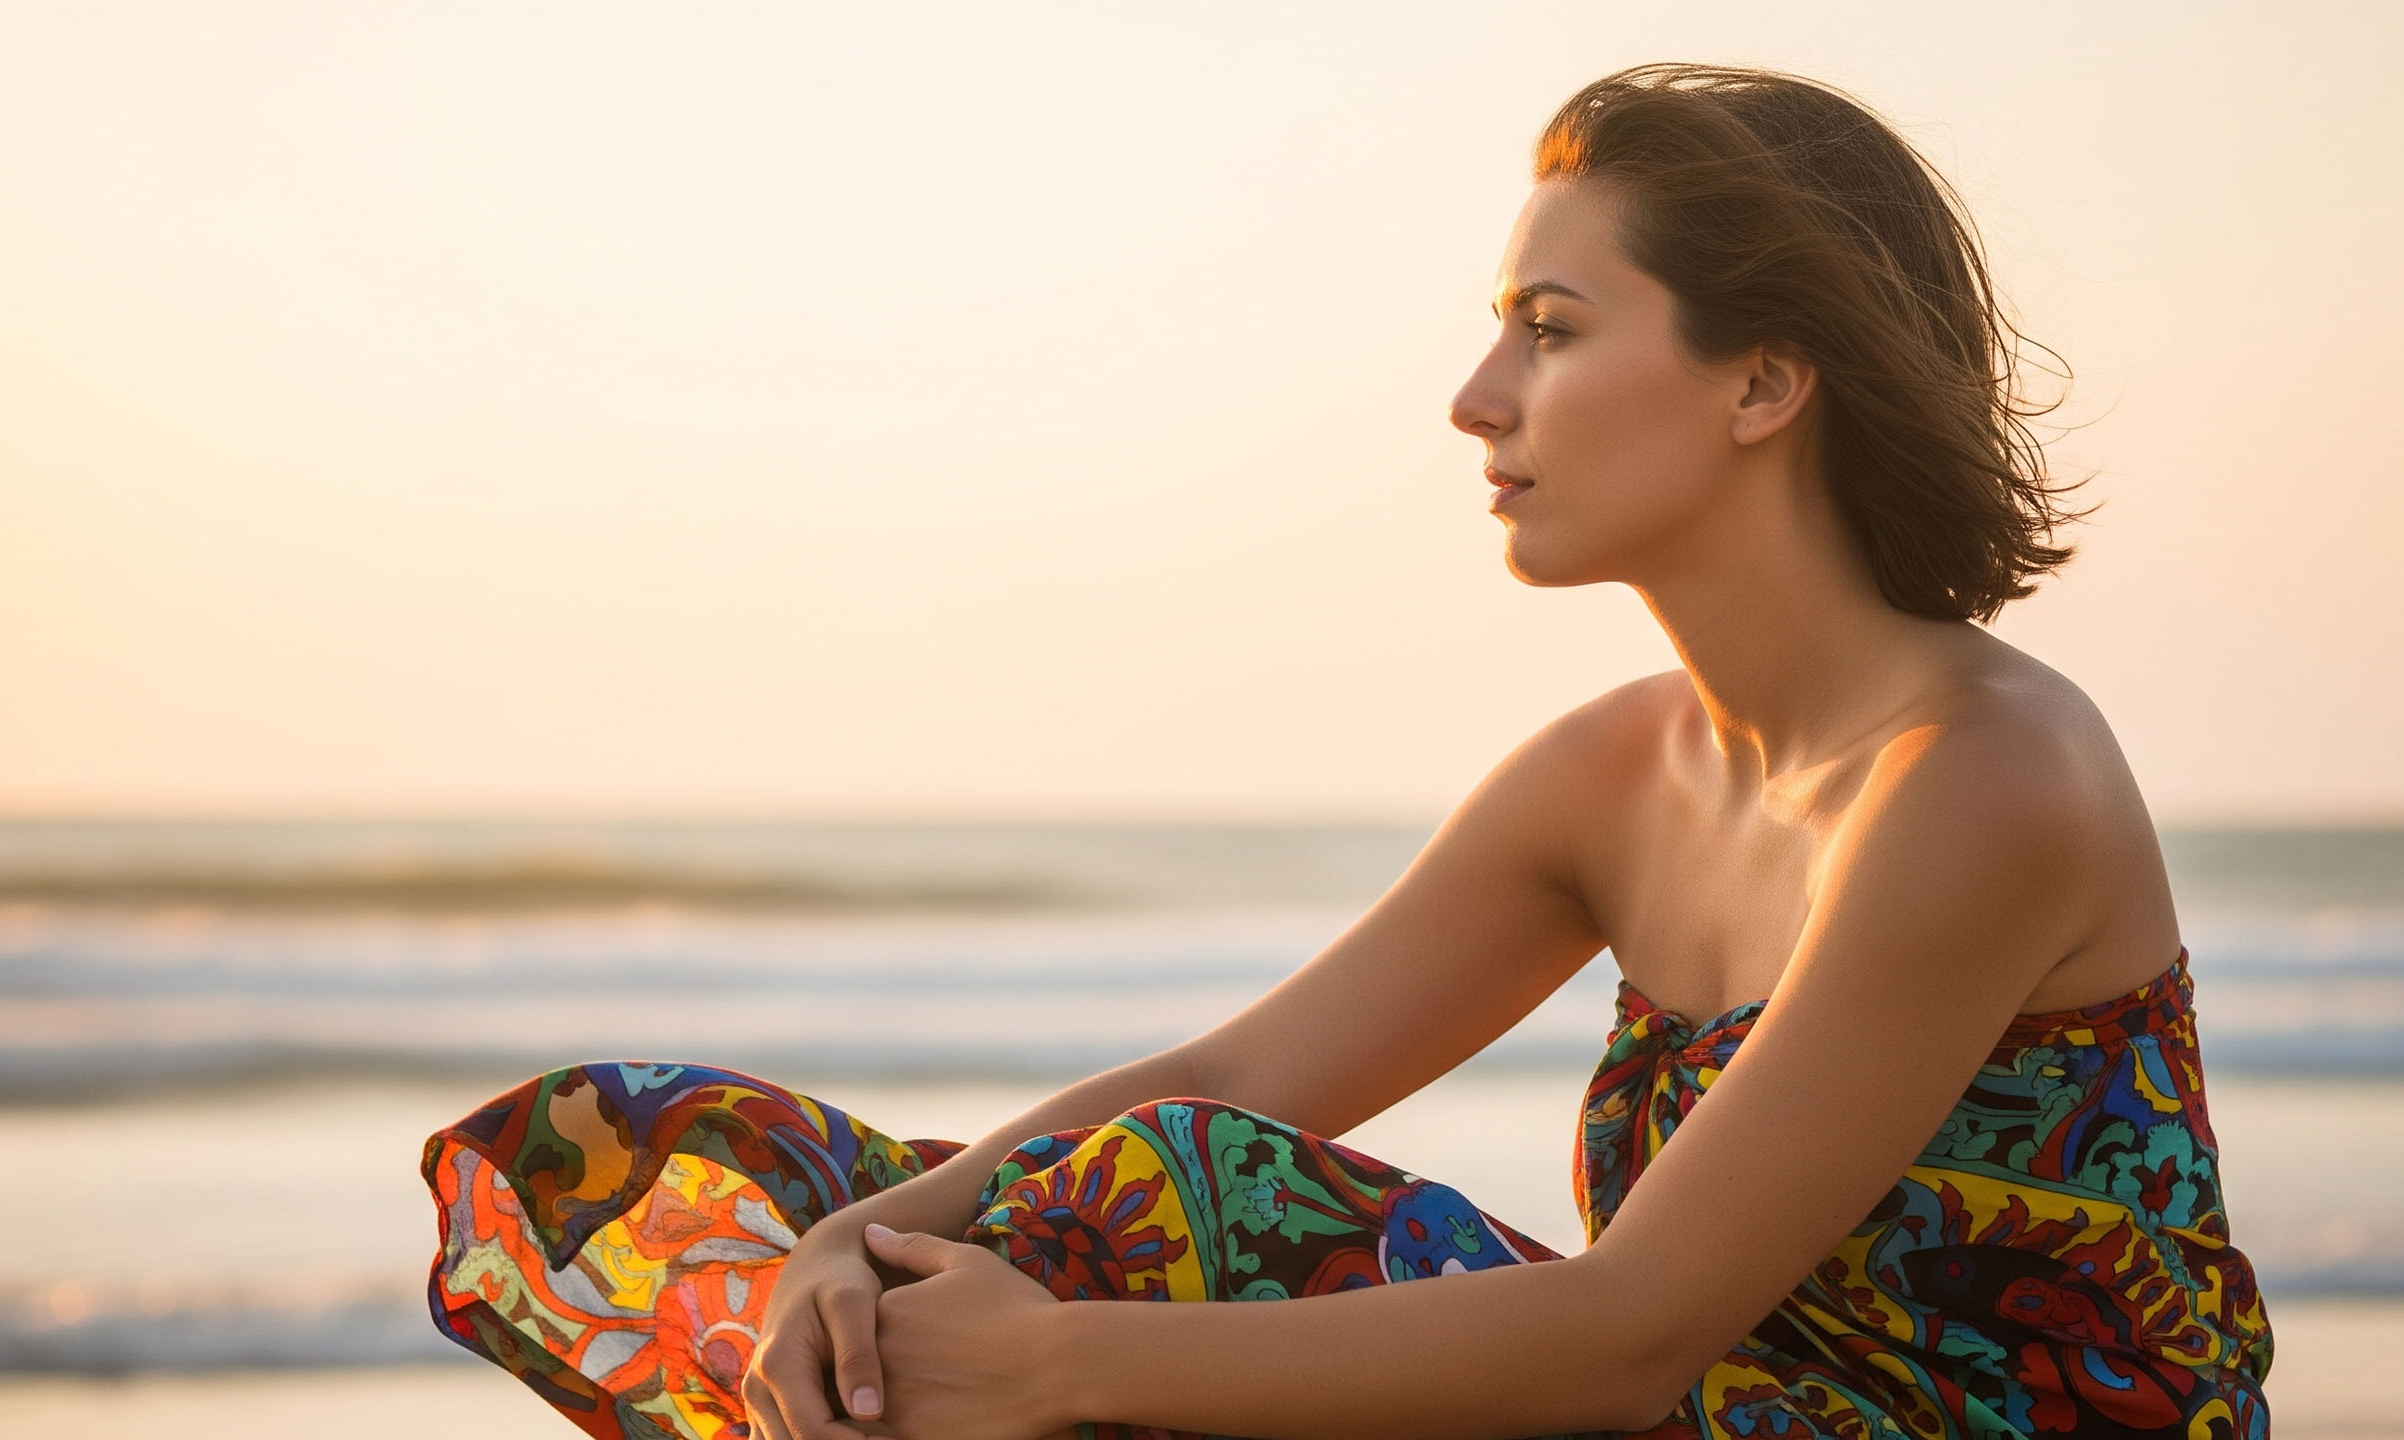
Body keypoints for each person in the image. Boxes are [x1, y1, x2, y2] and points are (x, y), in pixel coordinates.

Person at [421, 62, 2273, 1440]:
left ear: (1763, 384)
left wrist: (1056, 1358)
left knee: (1173, 1212)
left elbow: (1629, 1327)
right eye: (1498, 335)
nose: (1480, 401)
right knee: (732, 1182)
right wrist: (869, 1238)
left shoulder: (1982, 777)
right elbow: (1247, 1062)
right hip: (1701, 1411)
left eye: (1552, 334)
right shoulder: (1612, 778)